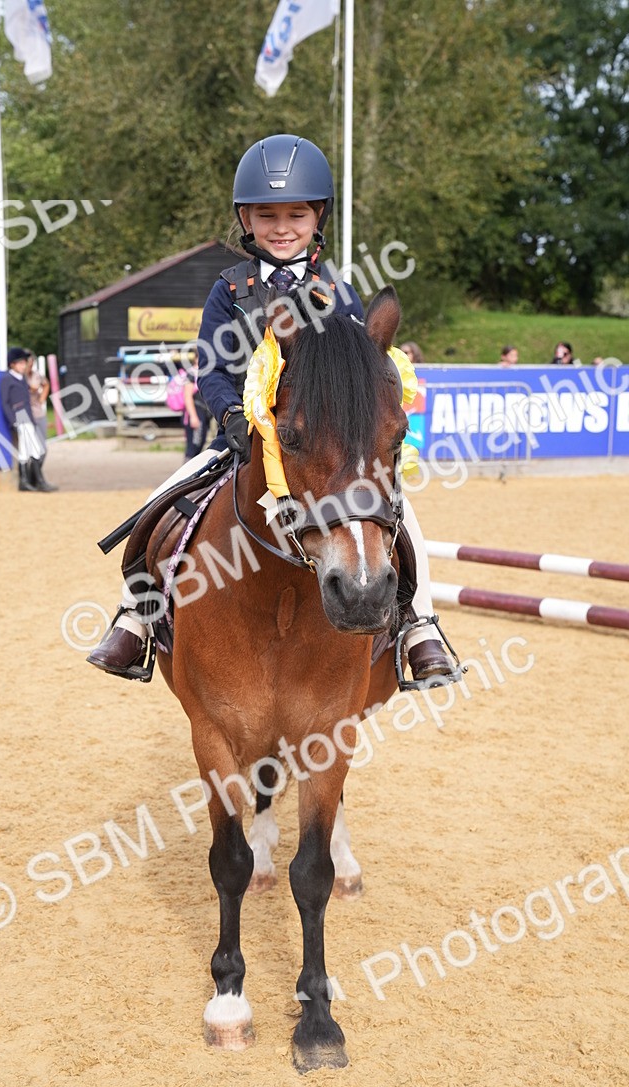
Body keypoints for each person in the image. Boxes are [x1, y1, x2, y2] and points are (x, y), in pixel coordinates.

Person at [87, 133, 457, 687]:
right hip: (241, 440)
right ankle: (135, 618)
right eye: (267, 215)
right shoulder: (228, 290)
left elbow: (362, 374)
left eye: (296, 214)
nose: (282, 227)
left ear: (317, 218)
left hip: (323, 447)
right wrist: (233, 419)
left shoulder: (338, 292)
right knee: (157, 509)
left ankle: (418, 626)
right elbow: (210, 369)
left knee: (405, 522)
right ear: (247, 220)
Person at [0, 346, 44, 492]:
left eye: (25, 363)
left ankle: (27, 481)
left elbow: (27, 402)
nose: (24, 366)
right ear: (13, 364)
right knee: (34, 449)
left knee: (27, 450)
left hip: (27, 416)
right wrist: (13, 421)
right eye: (21, 363)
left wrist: (32, 420)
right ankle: (37, 480)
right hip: (19, 416)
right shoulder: (7, 379)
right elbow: (5, 402)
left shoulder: (22, 379)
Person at [27, 352, 58, 492]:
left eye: (32, 362)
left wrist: (42, 398)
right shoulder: (20, 378)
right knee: (31, 450)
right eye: (29, 362)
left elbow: (45, 384)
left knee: (42, 449)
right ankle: (34, 479)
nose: (30, 364)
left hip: (38, 414)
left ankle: (35, 478)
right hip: (25, 416)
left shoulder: (36, 375)